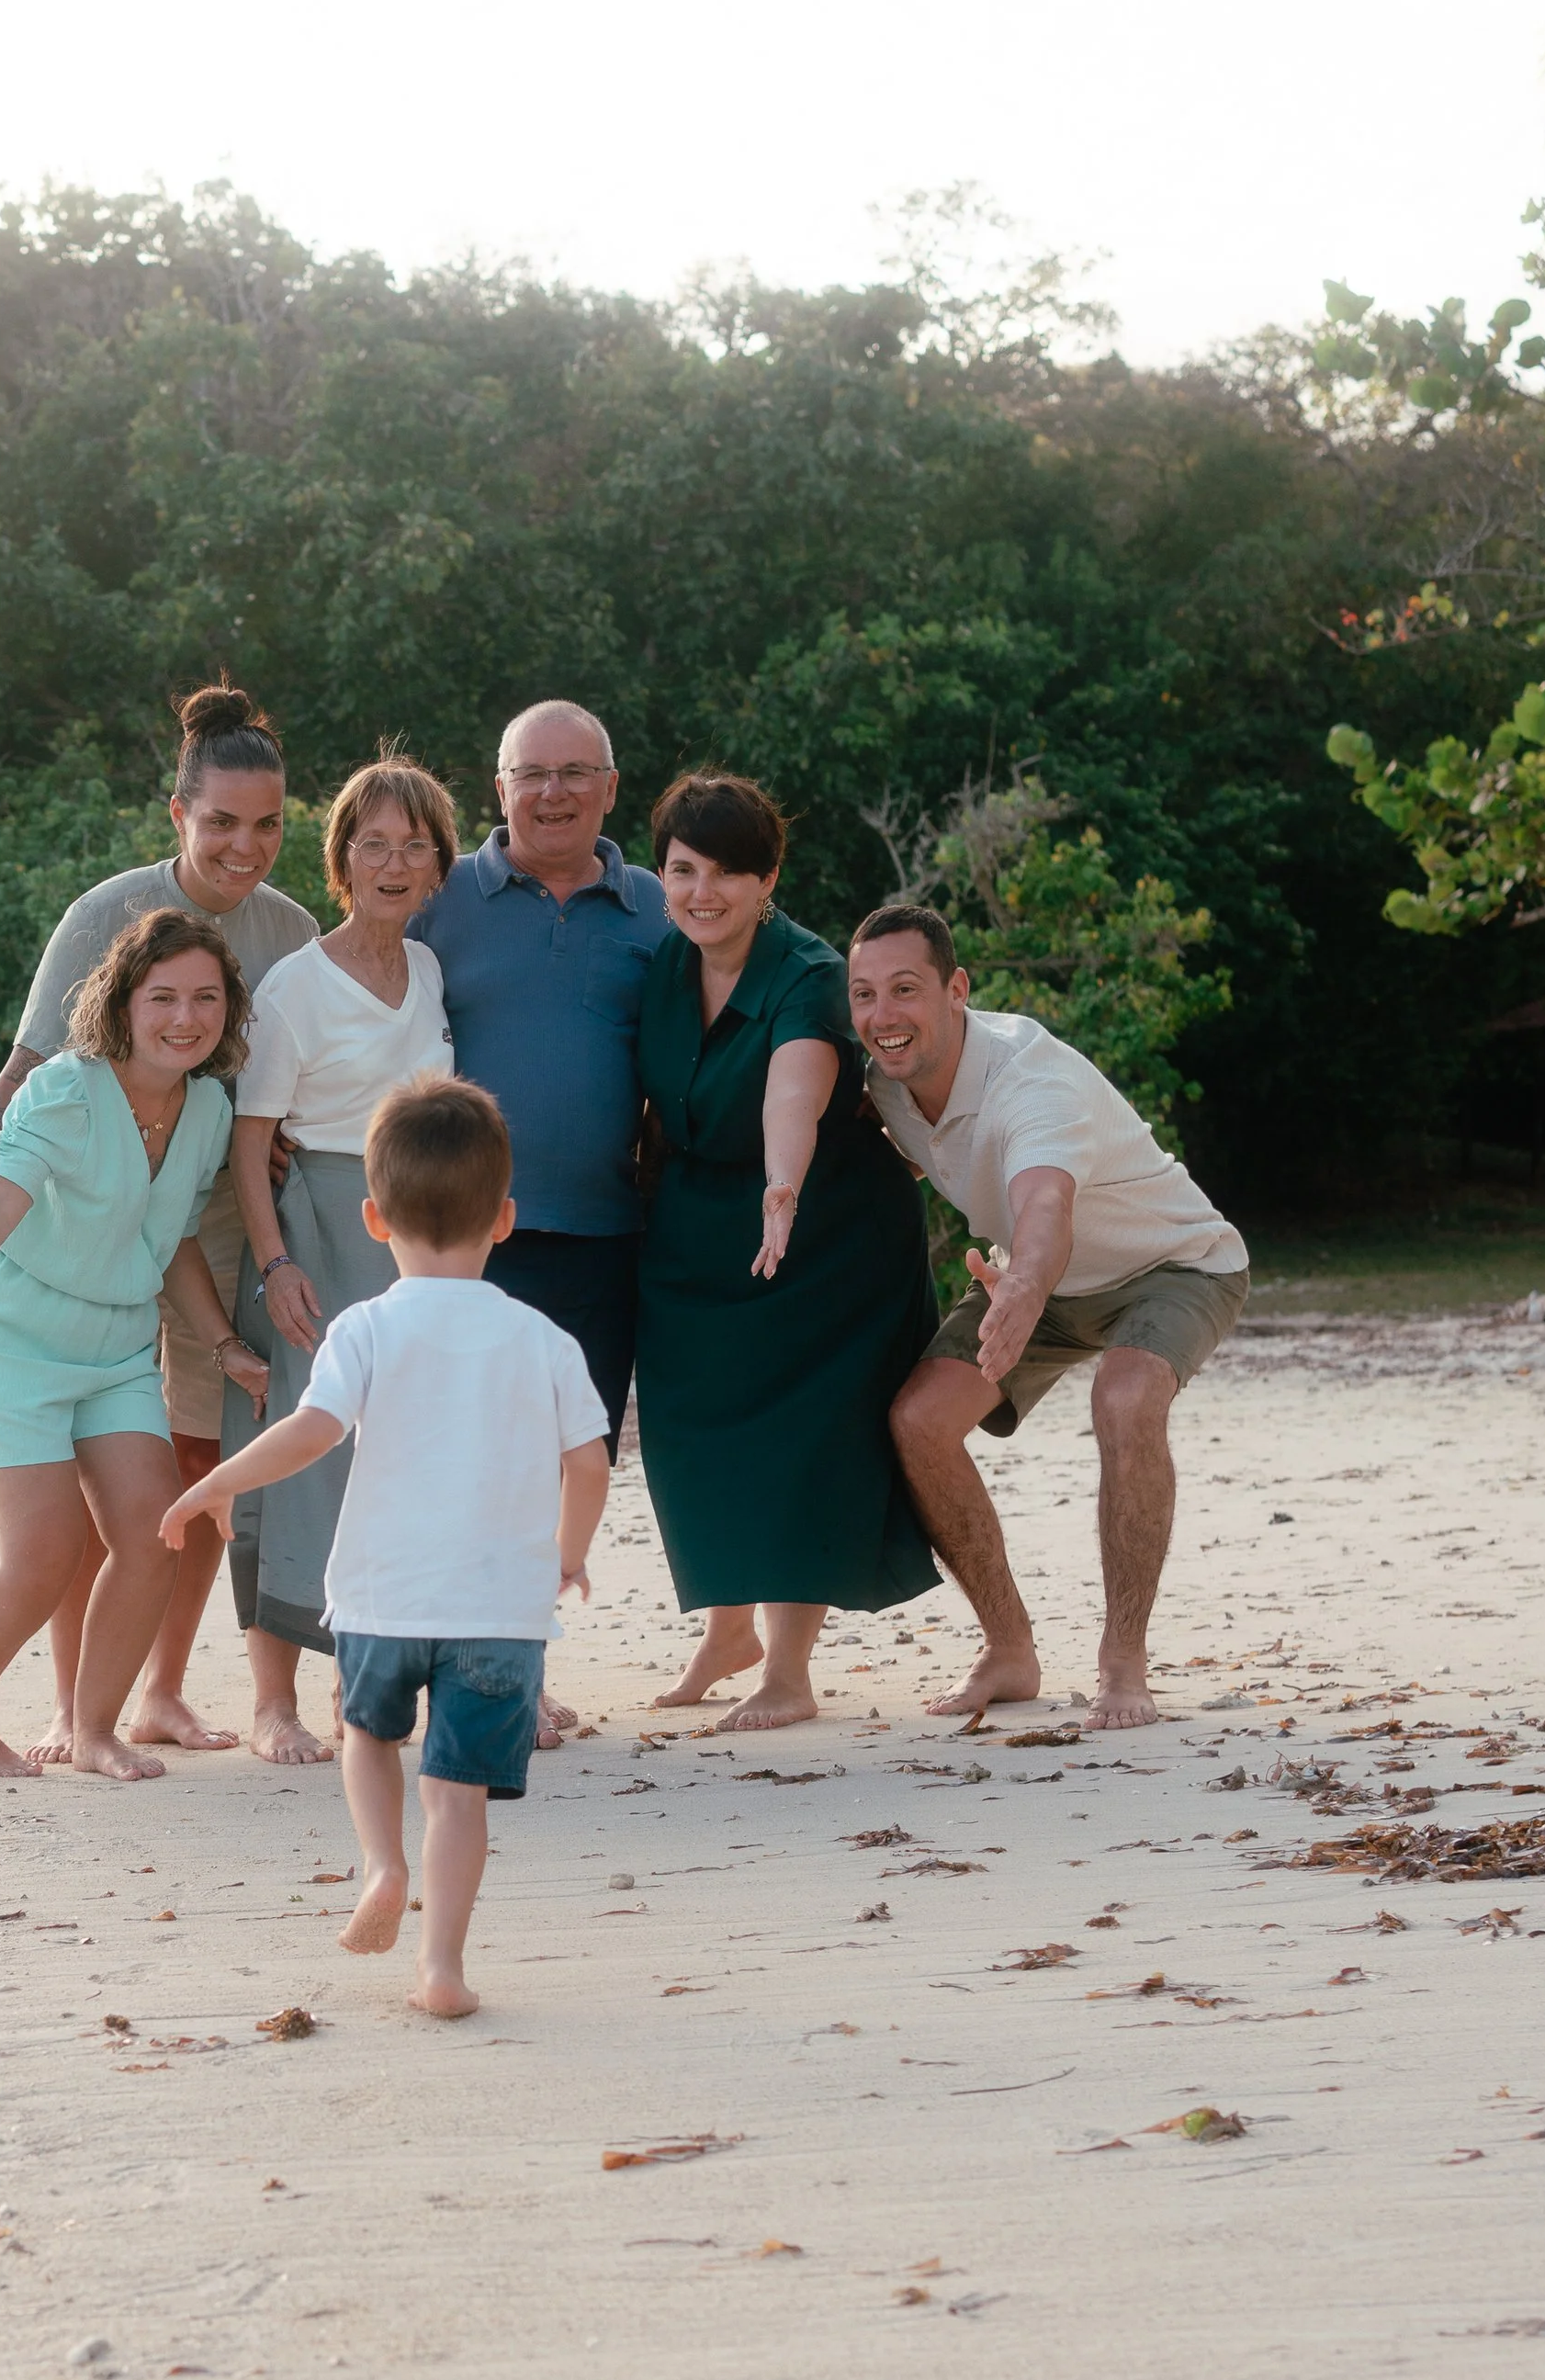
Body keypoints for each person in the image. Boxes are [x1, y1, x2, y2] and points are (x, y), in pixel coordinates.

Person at [164, 1075, 610, 2015]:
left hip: (382, 1596)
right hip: (500, 1611)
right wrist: (564, 1554)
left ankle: (379, 1866)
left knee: (365, 1735)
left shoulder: (363, 1328)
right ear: (505, 1218)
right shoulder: (543, 1339)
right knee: (459, 1792)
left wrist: (214, 1479)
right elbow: (591, 1464)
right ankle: (442, 1967)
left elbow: (309, 1432)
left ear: (373, 1217)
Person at [0, 682, 317, 1761]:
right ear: (178, 813)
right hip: (87, 1237)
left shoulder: (290, 928)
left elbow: (286, 1090)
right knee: (92, 1482)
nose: (243, 847)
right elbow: (17, 1085)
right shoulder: (105, 915)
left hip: (209, 1220)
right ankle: (78, 1712)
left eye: (267, 826)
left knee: (193, 1463)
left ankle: (159, 1690)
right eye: (220, 823)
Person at [0, 909, 271, 1784]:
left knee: (155, 1531)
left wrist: (227, 1345)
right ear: (123, 1004)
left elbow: (177, 1243)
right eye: (162, 996)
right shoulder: (62, 1088)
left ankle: (93, 1730)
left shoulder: (206, 1108)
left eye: (206, 997)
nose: (185, 1016)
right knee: (44, 1551)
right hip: (9, 1340)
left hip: (116, 1349)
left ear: (228, 1010)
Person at [851, 900, 1249, 1732]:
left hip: (1171, 1264)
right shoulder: (882, 1082)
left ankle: (1123, 1658)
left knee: (1126, 1397)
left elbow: (1044, 1204)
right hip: (1033, 1284)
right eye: (863, 995)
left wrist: (1026, 1285)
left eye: (905, 990)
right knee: (919, 1421)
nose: (883, 1017)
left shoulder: (1029, 1078)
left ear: (956, 989)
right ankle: (1009, 1649)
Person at [633, 773, 939, 1728]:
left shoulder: (804, 972)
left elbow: (791, 1092)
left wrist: (780, 1188)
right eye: (684, 869)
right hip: (692, 1222)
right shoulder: (662, 963)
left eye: (729, 872)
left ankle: (787, 1670)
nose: (703, 891)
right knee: (690, 1430)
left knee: (799, 1440)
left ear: (768, 878)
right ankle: (727, 1629)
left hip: (821, 1231)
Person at [408, 698, 669, 1735]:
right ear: (498, 787)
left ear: (609, 789)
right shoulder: (438, 902)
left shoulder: (657, 908)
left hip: (607, 1235)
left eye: (575, 772)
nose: (552, 791)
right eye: (532, 773)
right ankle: (468, 1674)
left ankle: (510, 1661)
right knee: (468, 1459)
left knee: (569, 1466)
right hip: (466, 1240)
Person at [222, 755, 461, 1759]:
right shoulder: (294, 985)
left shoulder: (431, 967)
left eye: (414, 845)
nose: (394, 862)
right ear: (343, 862)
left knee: (398, 1459)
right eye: (374, 843)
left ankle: (371, 1683)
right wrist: (276, 1263)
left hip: (416, 1229)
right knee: (296, 1453)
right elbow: (248, 1144)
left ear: (439, 866)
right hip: (313, 1225)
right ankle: (272, 1700)